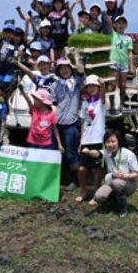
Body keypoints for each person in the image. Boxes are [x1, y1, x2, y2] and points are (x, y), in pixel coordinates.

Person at [85, 130, 138, 218]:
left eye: (113, 141)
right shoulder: (107, 152)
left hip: (129, 183)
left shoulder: (128, 154)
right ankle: (113, 201)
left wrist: (124, 176)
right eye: (108, 142)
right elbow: (97, 154)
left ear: (119, 141)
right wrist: (88, 152)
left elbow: (137, 173)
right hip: (112, 181)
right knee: (98, 196)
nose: (110, 145)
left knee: (117, 183)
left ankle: (123, 208)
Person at [50, 53, 85, 188]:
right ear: (58, 71)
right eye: (61, 68)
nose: (64, 70)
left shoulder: (76, 82)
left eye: (67, 67)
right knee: (60, 152)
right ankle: (64, 179)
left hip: (71, 124)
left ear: (71, 69)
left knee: (71, 152)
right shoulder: (55, 85)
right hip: (58, 124)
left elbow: (81, 72)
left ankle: (76, 180)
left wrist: (76, 58)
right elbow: (53, 103)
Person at [75, 74, 106, 202]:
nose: (91, 88)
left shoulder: (102, 102)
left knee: (95, 169)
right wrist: (81, 142)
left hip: (98, 140)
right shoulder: (85, 103)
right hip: (86, 140)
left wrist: (103, 85)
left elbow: (104, 95)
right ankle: (83, 190)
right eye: (89, 86)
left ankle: (96, 193)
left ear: (98, 87)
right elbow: (85, 123)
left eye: (94, 85)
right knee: (81, 168)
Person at [21, 88, 64, 152]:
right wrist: (22, 91)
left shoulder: (51, 114)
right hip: (33, 142)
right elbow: (29, 101)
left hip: (46, 144)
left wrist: (59, 145)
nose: (34, 101)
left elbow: (55, 130)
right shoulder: (34, 111)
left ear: (42, 102)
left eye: (36, 99)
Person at [108, 15, 135, 110]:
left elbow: (130, 53)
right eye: (118, 23)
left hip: (124, 64)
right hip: (113, 63)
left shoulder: (128, 39)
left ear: (126, 25)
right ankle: (112, 106)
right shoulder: (113, 34)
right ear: (115, 24)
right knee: (112, 85)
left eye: (123, 23)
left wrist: (132, 66)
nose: (121, 25)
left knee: (123, 86)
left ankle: (122, 106)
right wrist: (106, 16)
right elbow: (108, 24)